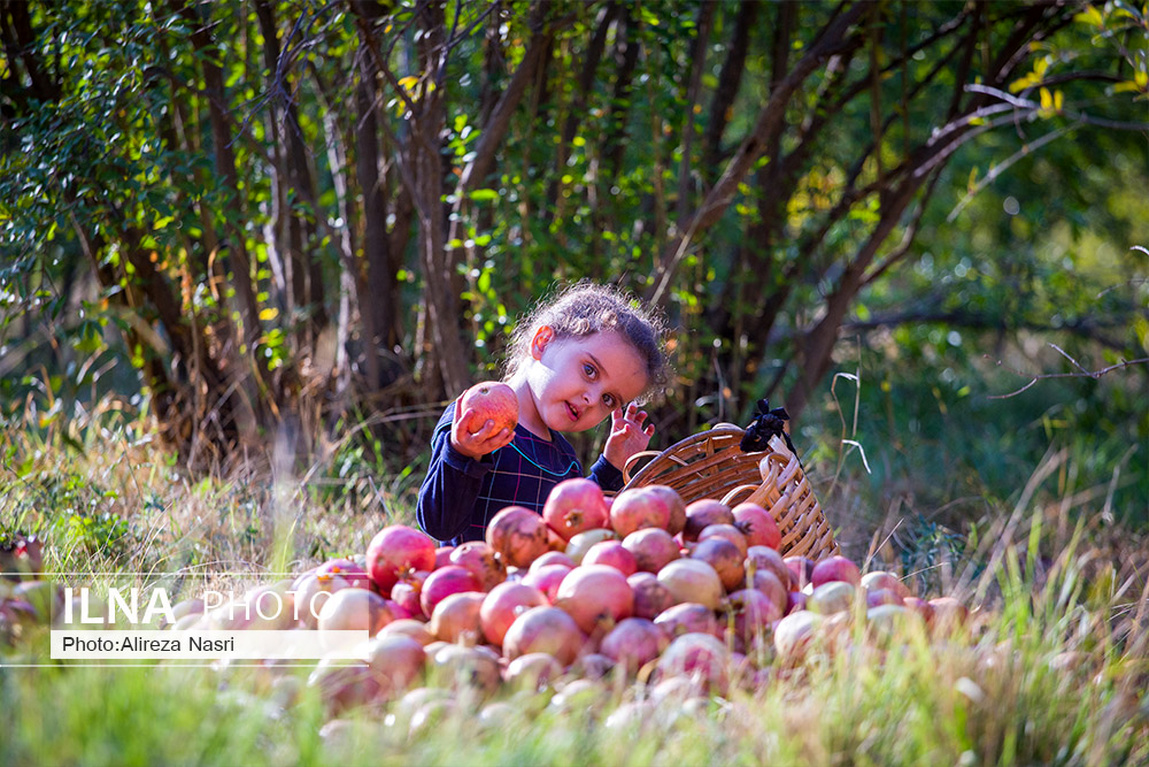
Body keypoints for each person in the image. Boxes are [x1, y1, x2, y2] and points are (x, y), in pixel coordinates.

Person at [416, 282, 670, 545]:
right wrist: (462, 453)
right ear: (543, 342)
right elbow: (439, 526)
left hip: (538, 584)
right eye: (590, 370)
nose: (592, 399)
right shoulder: (477, 422)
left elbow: (574, 531)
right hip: (474, 580)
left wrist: (611, 467)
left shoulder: (565, 460)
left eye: (608, 399)